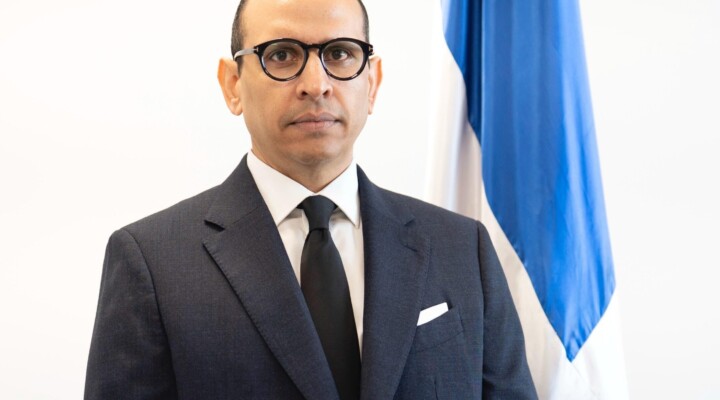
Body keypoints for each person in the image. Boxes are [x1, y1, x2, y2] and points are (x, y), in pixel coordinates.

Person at [84, 0, 537, 398]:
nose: (316, 84)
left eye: (339, 53)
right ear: (232, 84)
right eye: (282, 55)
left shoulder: (463, 249)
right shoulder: (152, 263)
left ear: (372, 82)